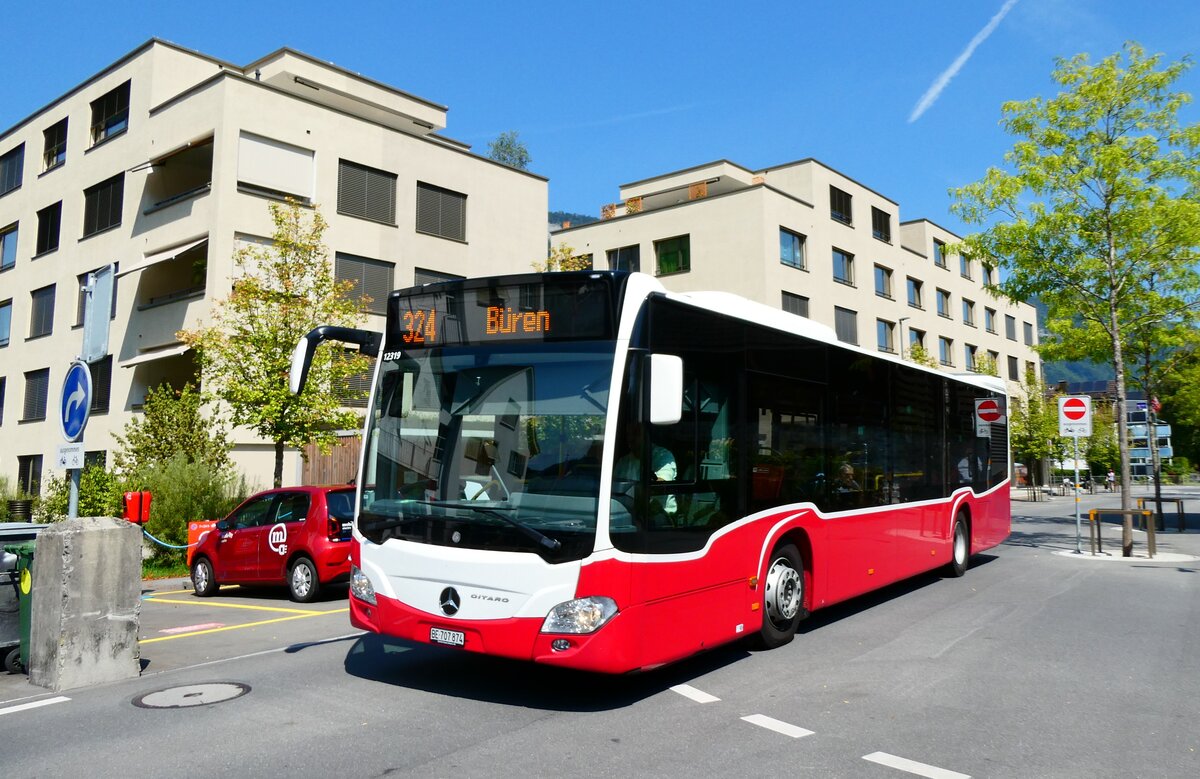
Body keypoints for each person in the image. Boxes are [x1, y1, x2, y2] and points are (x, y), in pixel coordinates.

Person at [614, 423, 677, 518]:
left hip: (660, 517)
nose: (631, 438)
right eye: (628, 434)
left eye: (636, 433)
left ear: (646, 435)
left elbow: (661, 484)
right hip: (628, 514)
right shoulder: (623, 462)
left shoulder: (663, 456)